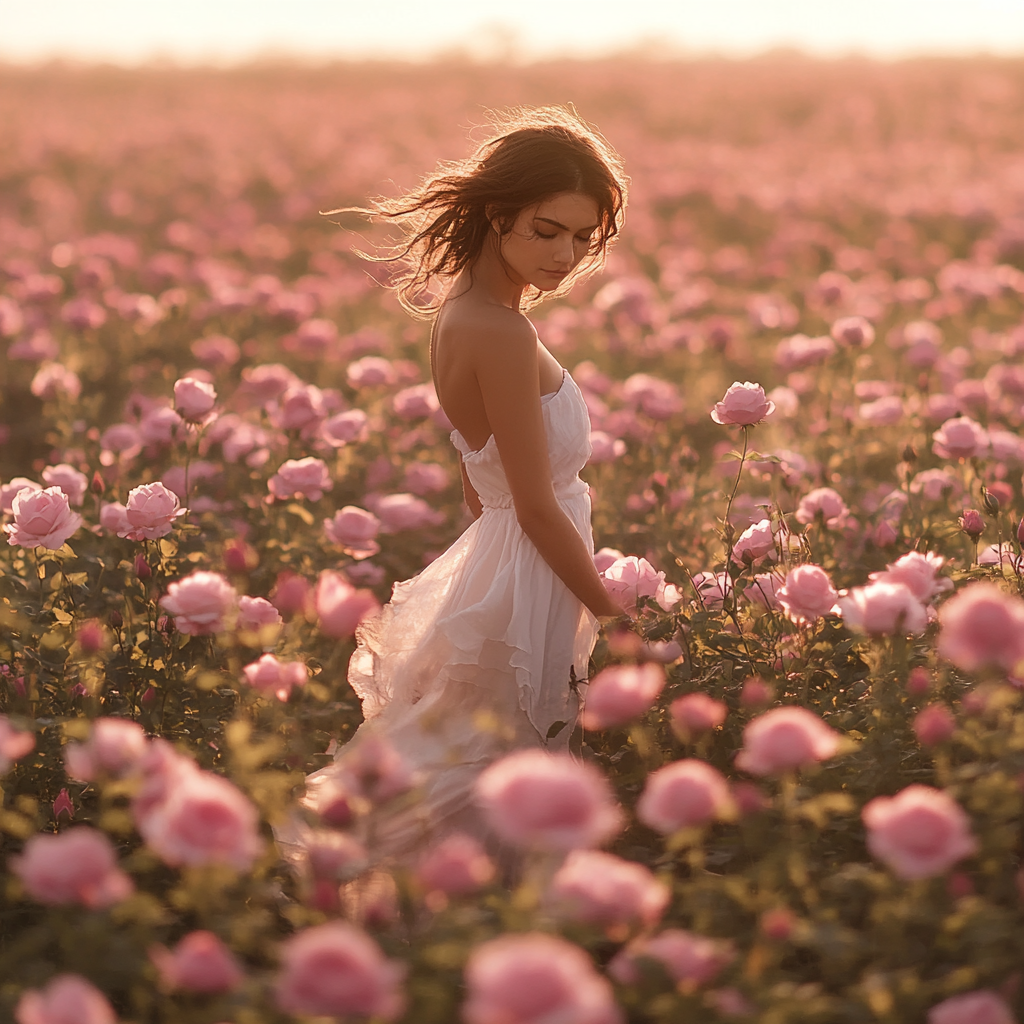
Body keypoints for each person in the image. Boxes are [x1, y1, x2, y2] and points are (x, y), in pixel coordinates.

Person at [274, 106, 630, 878]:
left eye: (581, 235)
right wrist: (612, 614)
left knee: (481, 760)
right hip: (529, 561)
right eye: (546, 230)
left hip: (507, 561)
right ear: (498, 216)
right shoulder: (503, 334)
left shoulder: (462, 315)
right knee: (492, 766)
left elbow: (482, 489)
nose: (566, 254)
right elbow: (532, 503)